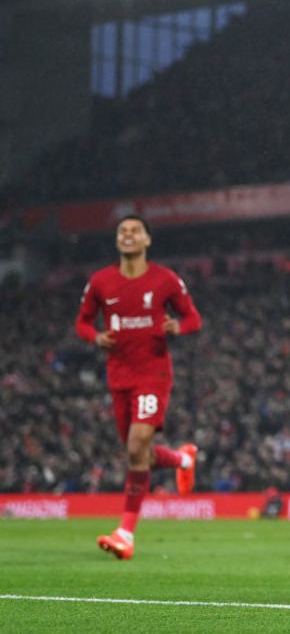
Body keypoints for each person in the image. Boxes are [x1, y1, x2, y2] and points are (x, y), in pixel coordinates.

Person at [75, 215, 203, 560]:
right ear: (117, 241)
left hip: (153, 373)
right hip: (118, 377)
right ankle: (182, 459)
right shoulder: (101, 282)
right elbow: (82, 322)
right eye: (122, 231)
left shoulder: (165, 280)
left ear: (147, 240)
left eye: (135, 231)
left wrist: (178, 327)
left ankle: (125, 533)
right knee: (139, 455)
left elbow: (193, 318)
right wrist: (95, 336)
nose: (128, 235)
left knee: (137, 445)